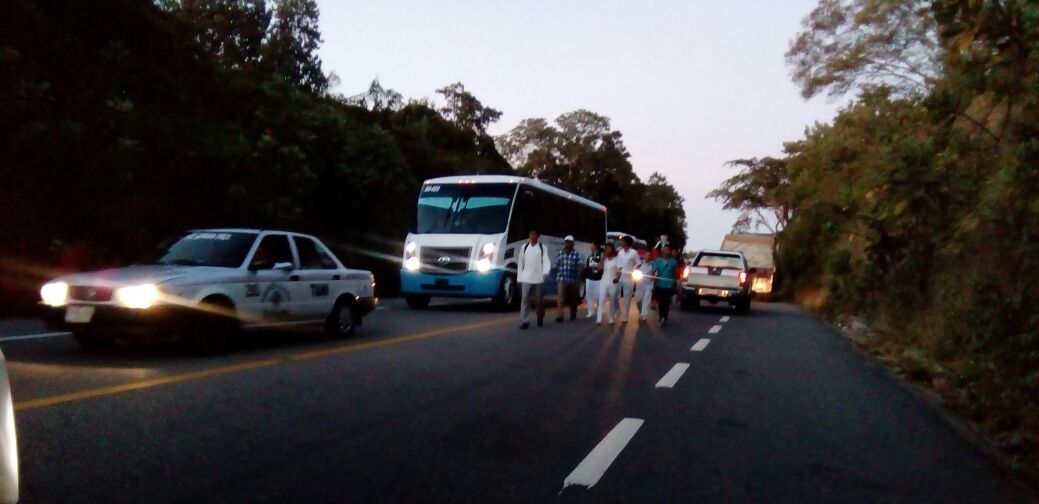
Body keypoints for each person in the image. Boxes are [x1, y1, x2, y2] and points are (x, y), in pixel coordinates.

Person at [517, 230, 552, 329]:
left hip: (538, 278)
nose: (533, 236)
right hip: (526, 278)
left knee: (539, 301)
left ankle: (540, 317)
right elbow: (520, 263)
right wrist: (519, 278)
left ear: (538, 236)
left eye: (535, 234)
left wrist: (545, 273)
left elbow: (546, 261)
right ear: (529, 235)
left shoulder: (542, 247)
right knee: (525, 300)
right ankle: (525, 321)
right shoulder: (524, 247)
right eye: (531, 234)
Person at [555, 235, 583, 322]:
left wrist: (579, 271)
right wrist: (557, 277)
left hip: (573, 279)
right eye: (566, 242)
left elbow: (580, 264)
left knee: (573, 299)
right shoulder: (560, 253)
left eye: (569, 242)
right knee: (560, 299)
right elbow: (557, 265)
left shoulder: (576, 254)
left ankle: (573, 315)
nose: (567, 244)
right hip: (562, 278)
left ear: (572, 244)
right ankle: (560, 316)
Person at [652, 245, 680, 327]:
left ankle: (664, 316)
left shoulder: (673, 262)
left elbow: (676, 274)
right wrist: (652, 276)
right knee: (661, 302)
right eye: (664, 250)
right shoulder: (658, 261)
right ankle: (661, 316)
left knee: (666, 302)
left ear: (670, 251)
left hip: (669, 285)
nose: (666, 251)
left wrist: (677, 283)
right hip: (659, 285)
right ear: (662, 251)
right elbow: (653, 270)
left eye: (667, 250)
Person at [615, 235, 640, 323]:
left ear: (627, 242)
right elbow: (618, 264)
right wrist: (617, 273)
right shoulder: (620, 252)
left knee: (627, 298)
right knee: (615, 295)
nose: (621, 242)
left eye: (623, 241)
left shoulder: (634, 253)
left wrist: (634, 269)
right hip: (620, 277)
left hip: (629, 278)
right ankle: (617, 310)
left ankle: (625, 317)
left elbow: (638, 263)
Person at [597, 242, 621, 324]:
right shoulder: (605, 259)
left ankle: (611, 317)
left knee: (612, 300)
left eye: (609, 248)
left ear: (612, 249)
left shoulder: (617, 259)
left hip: (613, 282)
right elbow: (599, 267)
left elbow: (619, 271)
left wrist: (617, 279)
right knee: (601, 299)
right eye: (606, 248)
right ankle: (599, 317)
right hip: (603, 281)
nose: (607, 250)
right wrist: (603, 258)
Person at [584, 241, 604, 318]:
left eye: (591, 244)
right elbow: (586, 267)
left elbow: (602, 266)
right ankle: (590, 311)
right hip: (589, 278)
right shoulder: (589, 256)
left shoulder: (601, 254)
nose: (590, 246)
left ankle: (600, 311)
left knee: (600, 295)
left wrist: (595, 264)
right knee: (589, 295)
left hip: (599, 278)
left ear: (595, 245)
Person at [634, 250, 656, 321]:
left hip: (648, 284)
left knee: (646, 299)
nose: (648, 257)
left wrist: (653, 278)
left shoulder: (653, 265)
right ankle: (641, 312)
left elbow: (655, 274)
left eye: (649, 255)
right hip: (640, 284)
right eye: (646, 255)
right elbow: (634, 271)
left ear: (651, 257)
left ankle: (643, 314)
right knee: (638, 300)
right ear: (644, 256)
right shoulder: (639, 264)